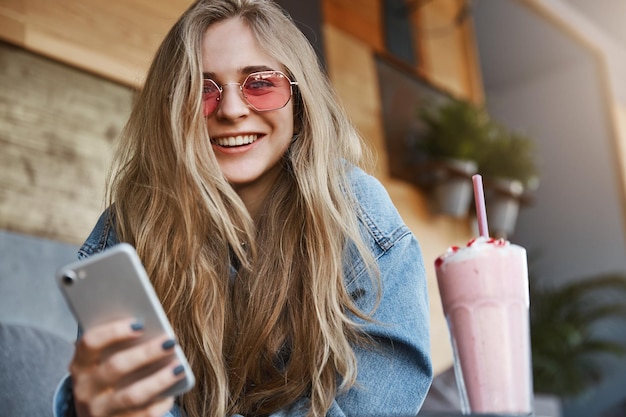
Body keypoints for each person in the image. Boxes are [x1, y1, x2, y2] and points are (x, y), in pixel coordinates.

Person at [53, 0, 432, 416]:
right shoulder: (129, 229)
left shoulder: (359, 218)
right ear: (172, 109)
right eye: (202, 90)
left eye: (260, 84)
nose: (232, 111)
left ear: (299, 100)